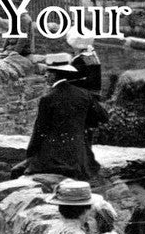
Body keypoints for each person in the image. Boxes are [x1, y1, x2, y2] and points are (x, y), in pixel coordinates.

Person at [19, 53, 108, 181]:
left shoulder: (48, 98)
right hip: (80, 158)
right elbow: (103, 117)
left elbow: (39, 132)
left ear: (54, 75)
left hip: (54, 159)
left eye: (47, 73)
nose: (45, 76)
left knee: (16, 171)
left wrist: (31, 155)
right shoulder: (84, 94)